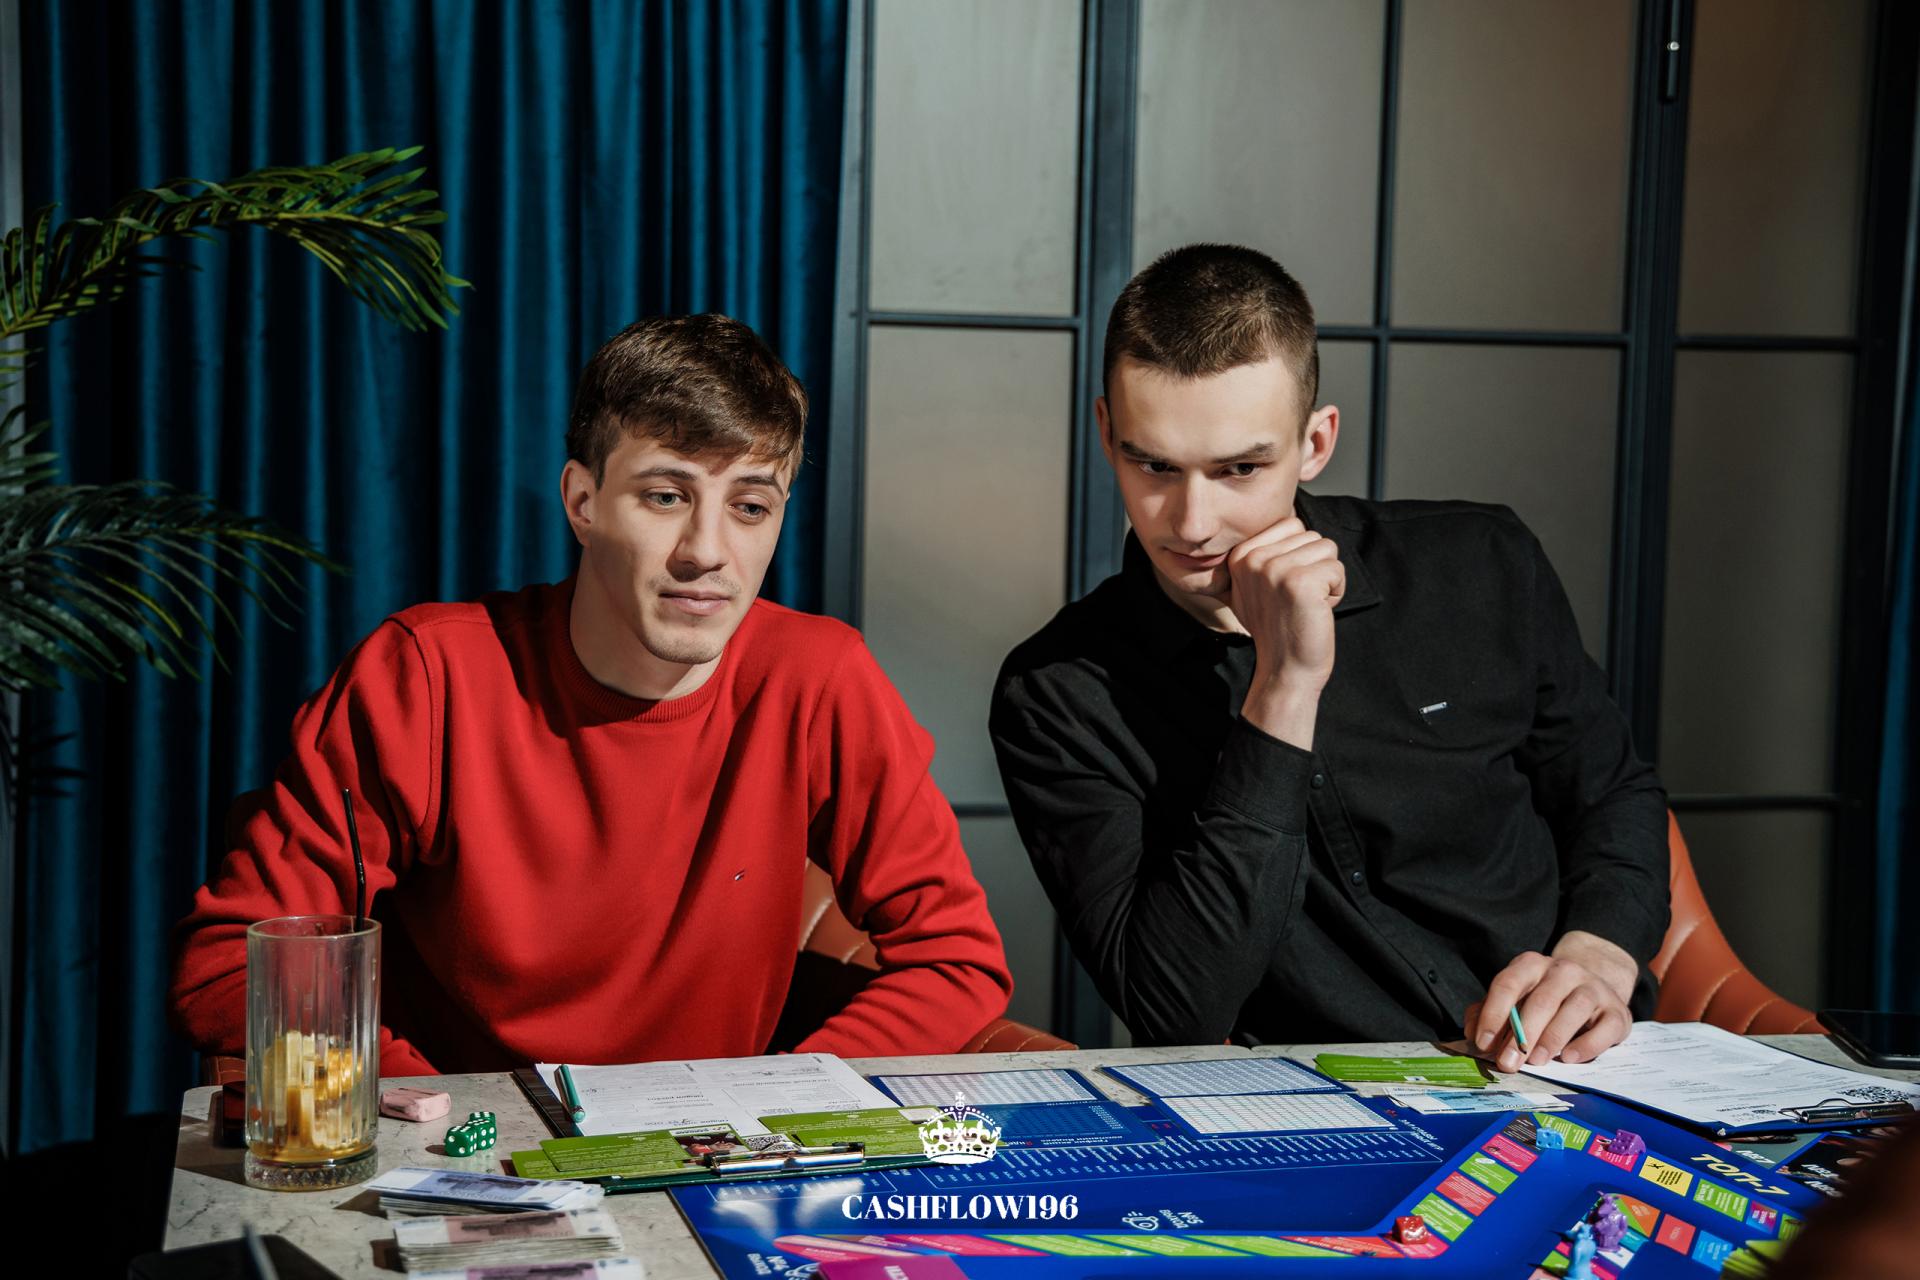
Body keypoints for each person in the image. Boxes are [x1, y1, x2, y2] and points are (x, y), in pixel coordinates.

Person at [171, 314, 1012, 1074]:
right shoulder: (426, 675)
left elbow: (957, 960)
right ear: (582, 502)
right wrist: (428, 1113)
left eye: (750, 507)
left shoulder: (819, 678)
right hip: (465, 1152)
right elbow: (229, 968)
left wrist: (781, 1102)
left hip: (710, 1156)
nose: (706, 551)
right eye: (666, 497)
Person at [990, 245, 1667, 1070]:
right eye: (1154, 465)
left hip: (1571, 1069)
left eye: (1240, 468)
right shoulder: (1058, 693)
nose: (1192, 522)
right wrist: (1284, 686)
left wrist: (1599, 954)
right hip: (1310, 1101)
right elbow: (1176, 1010)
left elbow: (1610, 793)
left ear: (1315, 443)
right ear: (1106, 433)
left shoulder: (1480, 563)